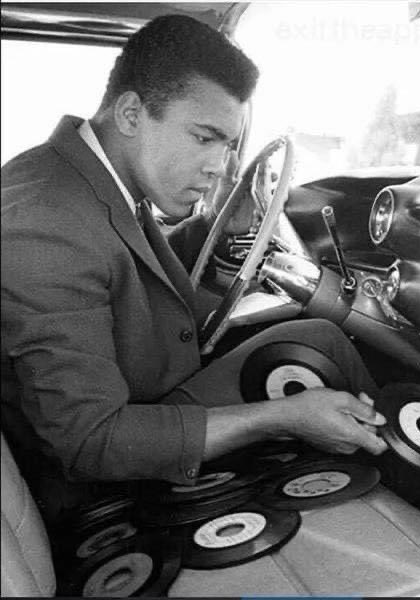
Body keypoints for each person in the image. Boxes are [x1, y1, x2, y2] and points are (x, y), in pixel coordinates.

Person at [1, 14, 387, 523]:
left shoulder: (85, 178)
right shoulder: (45, 221)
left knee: (310, 336)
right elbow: (89, 442)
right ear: (132, 113)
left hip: (147, 387)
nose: (218, 167)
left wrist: (212, 232)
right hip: (94, 478)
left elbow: (124, 253)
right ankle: (419, 496)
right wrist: (281, 419)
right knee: (322, 343)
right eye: (204, 138)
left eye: (228, 146)